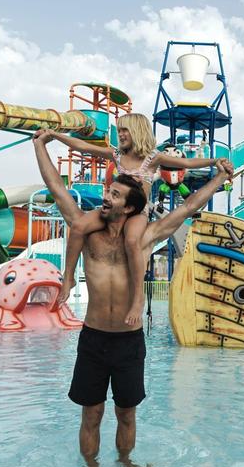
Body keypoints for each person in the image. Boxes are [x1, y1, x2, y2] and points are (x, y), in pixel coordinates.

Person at [32, 130, 233, 467]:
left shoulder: (144, 237)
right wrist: (40, 146)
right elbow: (56, 187)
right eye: (108, 192)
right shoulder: (87, 229)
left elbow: (189, 206)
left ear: (131, 207)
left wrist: (219, 177)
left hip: (128, 340)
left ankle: (125, 463)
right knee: (91, 414)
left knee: (127, 414)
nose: (105, 199)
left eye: (114, 195)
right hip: (93, 337)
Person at [38, 114, 222, 328]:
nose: (121, 134)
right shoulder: (116, 154)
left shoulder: (153, 158)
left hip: (138, 213)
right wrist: (55, 136)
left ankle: (138, 298)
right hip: (116, 210)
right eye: (120, 130)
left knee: (132, 241)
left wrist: (214, 162)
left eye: (125, 130)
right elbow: (83, 147)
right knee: (78, 226)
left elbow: (187, 163)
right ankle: (68, 277)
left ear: (138, 132)